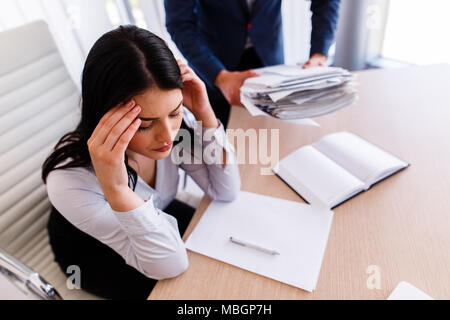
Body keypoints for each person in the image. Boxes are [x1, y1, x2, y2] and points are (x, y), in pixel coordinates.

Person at [41, 25, 240, 300]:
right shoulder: (68, 180)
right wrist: (118, 190)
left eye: (175, 112)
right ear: (105, 115)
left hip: (153, 213)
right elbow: (171, 265)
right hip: (92, 251)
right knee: (194, 292)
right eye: (145, 124)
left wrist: (204, 112)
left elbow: (225, 190)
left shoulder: (174, 129)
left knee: (226, 259)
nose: (168, 135)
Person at [164, 0, 341, 127]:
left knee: (276, 133)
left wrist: (319, 53)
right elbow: (179, 23)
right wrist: (219, 76)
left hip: (269, 59)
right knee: (230, 142)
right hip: (214, 64)